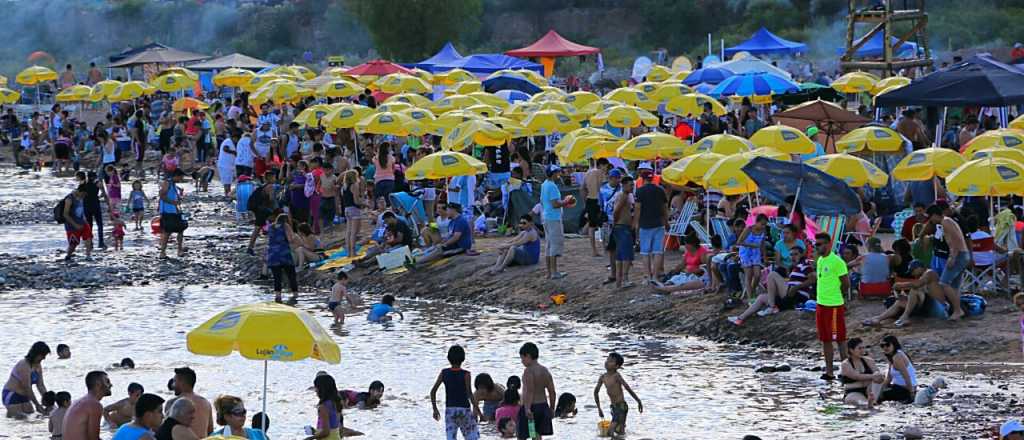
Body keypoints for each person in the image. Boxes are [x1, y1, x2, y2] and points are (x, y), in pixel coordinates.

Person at [728, 245, 815, 325]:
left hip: (798, 296)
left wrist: (796, 287)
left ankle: (772, 306)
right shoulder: (795, 267)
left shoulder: (804, 264)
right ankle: (740, 318)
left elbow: (813, 279)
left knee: (772, 274)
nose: (793, 257)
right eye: (791, 255)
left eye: (796, 254)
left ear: (802, 254)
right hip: (789, 297)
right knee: (761, 297)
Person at [814, 232, 850, 381]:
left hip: (834, 305)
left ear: (829, 244)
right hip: (821, 304)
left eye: (821, 244)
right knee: (825, 339)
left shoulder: (837, 261)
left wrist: (838, 297)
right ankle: (829, 372)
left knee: (840, 338)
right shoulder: (820, 260)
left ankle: (846, 371)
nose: (818, 247)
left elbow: (845, 283)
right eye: (816, 244)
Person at [430, 345, 481, 440]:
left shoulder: (444, 373)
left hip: (450, 410)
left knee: (451, 437)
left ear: (448, 358)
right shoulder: (466, 374)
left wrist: (435, 409)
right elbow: (470, 395)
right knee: (472, 437)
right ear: (463, 359)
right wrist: (479, 413)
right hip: (464, 410)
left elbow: (433, 391)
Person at [927, 204, 968, 320]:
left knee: (944, 283)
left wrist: (952, 257)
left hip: (959, 255)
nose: (931, 221)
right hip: (962, 254)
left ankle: (958, 310)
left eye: (931, 217)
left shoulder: (945, 222)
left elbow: (954, 241)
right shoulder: (947, 221)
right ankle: (958, 310)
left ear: (935, 215)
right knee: (954, 286)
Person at [633, 163, 668, 284]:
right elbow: (665, 208)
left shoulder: (640, 191)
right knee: (658, 251)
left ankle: (647, 276)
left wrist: (636, 225)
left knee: (645, 252)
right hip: (659, 223)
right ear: (652, 178)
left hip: (645, 224)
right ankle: (655, 276)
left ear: (642, 178)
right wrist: (666, 222)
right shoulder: (660, 190)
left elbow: (637, 209)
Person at [594, 352, 642, 438]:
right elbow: (596, 392)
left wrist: (638, 401)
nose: (607, 362)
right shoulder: (603, 377)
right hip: (613, 407)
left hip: (621, 407)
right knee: (620, 432)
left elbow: (627, 388)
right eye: (607, 359)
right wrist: (599, 408)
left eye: (611, 361)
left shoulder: (616, 376)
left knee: (610, 431)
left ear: (617, 366)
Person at [517, 342, 555, 440]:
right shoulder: (545, 370)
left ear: (528, 356)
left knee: (523, 435)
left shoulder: (528, 371)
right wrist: (551, 408)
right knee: (536, 435)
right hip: (542, 407)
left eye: (522, 358)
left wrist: (527, 409)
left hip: (531, 408)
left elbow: (530, 391)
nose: (522, 361)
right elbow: (552, 391)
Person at [3, 341, 50, 418]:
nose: (44, 358)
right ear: (36, 354)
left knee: (33, 417)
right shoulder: (24, 365)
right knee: (20, 418)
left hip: (25, 397)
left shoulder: (38, 366)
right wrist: (37, 405)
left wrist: (49, 403)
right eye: (43, 355)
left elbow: (40, 385)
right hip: (12, 395)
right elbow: (27, 387)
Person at [540, 165, 571, 279]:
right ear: (553, 173)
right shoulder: (552, 186)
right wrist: (566, 201)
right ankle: (554, 272)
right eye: (557, 172)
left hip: (547, 217)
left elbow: (543, 202)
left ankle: (549, 272)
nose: (559, 174)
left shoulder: (544, 184)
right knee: (554, 245)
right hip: (553, 218)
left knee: (549, 245)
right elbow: (555, 204)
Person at [61, 371, 112, 440]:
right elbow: (94, 439)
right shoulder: (94, 405)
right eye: (107, 382)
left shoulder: (79, 401)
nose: (111, 384)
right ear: (98, 384)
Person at [839, 338, 884, 407]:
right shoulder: (845, 364)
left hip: (870, 390)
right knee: (860, 402)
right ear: (851, 350)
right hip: (853, 392)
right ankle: (869, 403)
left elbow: (878, 374)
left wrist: (878, 376)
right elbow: (857, 376)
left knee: (878, 379)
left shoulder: (869, 361)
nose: (863, 350)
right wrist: (873, 376)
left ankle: (872, 401)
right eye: (859, 348)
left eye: (863, 348)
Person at [266, 213, 300, 303]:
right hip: (283, 254)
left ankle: (278, 296)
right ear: (286, 220)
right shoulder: (285, 225)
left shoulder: (271, 227)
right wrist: (295, 236)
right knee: (291, 275)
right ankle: (295, 295)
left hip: (272, 255)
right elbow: (290, 239)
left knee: (277, 277)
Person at [875, 335, 918, 404]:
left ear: (894, 344)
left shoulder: (897, 356)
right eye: (882, 346)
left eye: (887, 345)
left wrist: (912, 394)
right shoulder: (892, 356)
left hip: (905, 390)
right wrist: (880, 391)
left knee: (876, 395)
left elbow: (906, 376)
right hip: (898, 387)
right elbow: (889, 378)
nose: (885, 347)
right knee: (877, 390)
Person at [171, 367, 212, 438]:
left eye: (174, 381)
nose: (172, 385)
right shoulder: (206, 403)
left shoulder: (174, 403)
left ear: (182, 382)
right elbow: (210, 430)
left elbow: (167, 429)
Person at [581, 158, 610, 256]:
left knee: (592, 226)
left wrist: (585, 202)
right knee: (604, 224)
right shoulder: (600, 173)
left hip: (590, 199)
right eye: (606, 166)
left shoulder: (588, 173)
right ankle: (605, 248)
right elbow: (600, 188)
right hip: (598, 200)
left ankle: (594, 250)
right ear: (602, 165)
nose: (606, 169)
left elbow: (582, 188)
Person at [612, 175, 636, 288]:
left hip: (621, 226)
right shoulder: (623, 196)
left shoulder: (626, 195)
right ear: (624, 185)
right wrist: (617, 222)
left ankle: (619, 280)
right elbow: (616, 211)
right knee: (626, 254)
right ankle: (624, 279)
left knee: (620, 254)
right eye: (631, 185)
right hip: (622, 226)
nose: (633, 187)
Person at [737, 214, 769, 298]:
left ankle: (753, 290)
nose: (763, 226)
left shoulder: (763, 231)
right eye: (762, 224)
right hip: (745, 253)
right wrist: (751, 245)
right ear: (757, 222)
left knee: (758, 275)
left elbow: (763, 244)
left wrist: (765, 257)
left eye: (765, 224)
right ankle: (750, 297)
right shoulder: (748, 229)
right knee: (749, 275)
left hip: (756, 253)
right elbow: (739, 242)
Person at [158, 170, 187, 259]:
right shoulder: (167, 183)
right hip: (167, 212)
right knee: (167, 232)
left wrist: (180, 196)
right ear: (176, 176)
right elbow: (162, 195)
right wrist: (173, 202)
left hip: (175, 211)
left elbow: (175, 198)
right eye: (181, 177)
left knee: (180, 230)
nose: (181, 179)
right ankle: (162, 252)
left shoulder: (174, 185)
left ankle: (179, 250)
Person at [306, 374, 345, 440]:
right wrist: (315, 432)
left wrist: (309, 438)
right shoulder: (337, 402)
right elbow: (334, 427)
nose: (315, 390)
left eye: (316, 387)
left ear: (321, 389)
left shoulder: (323, 407)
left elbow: (326, 432)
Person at [218, 130, 239, 197]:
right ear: (234, 137)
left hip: (229, 165)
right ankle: (227, 194)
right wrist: (234, 152)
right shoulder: (228, 141)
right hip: (225, 165)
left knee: (228, 181)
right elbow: (225, 149)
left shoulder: (231, 142)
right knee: (226, 182)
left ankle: (228, 194)